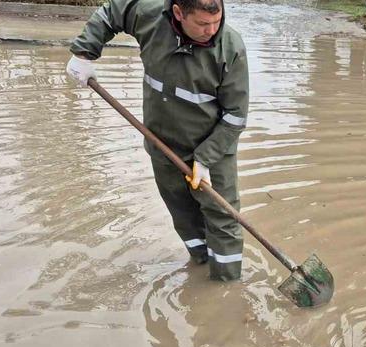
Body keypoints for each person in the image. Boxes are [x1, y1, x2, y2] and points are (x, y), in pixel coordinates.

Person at [66, 0, 249, 281]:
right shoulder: (150, 16)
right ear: (178, 12)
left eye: (217, 20)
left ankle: (226, 285)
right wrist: (84, 53)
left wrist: (205, 159)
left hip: (212, 149)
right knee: (182, 212)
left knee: (222, 218)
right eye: (202, 23)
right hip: (162, 145)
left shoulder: (230, 48)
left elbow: (236, 116)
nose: (212, 30)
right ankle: (200, 264)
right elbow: (113, 11)